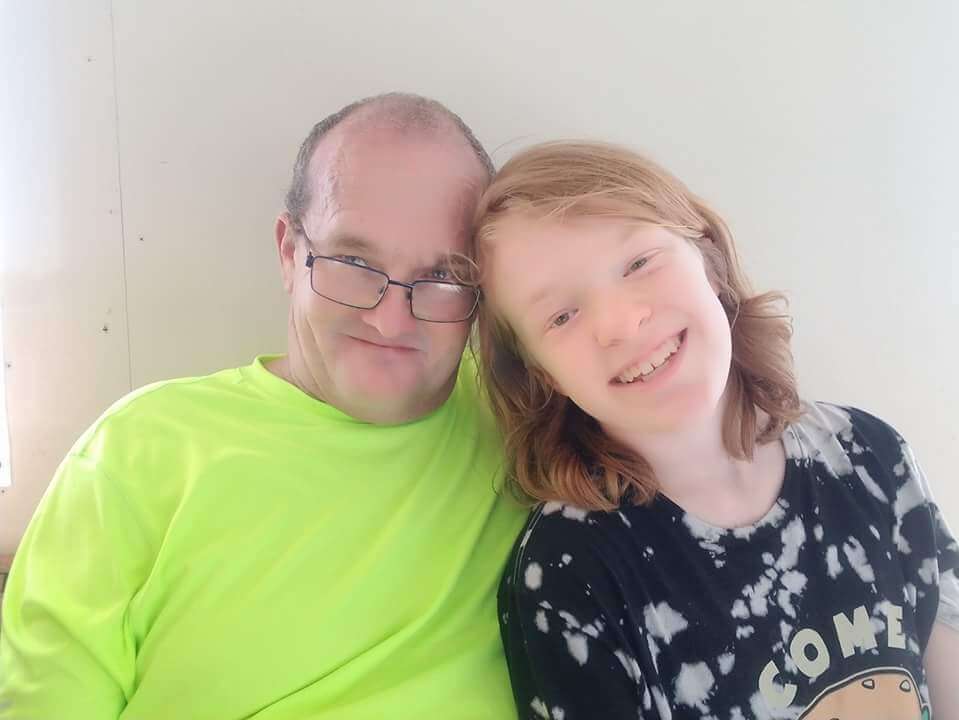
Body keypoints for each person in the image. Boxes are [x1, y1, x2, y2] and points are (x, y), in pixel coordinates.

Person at [0, 93, 527, 719]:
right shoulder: (138, 449)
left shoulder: (526, 422)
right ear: (288, 252)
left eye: (443, 275)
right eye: (353, 262)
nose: (391, 320)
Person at [470, 141, 959, 718]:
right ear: (541, 374)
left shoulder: (870, 455)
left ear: (709, 258)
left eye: (638, 263)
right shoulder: (567, 574)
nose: (620, 323)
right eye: (561, 316)